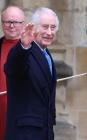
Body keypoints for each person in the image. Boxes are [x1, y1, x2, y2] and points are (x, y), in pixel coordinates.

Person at [4, 7, 59, 140]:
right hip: (24, 133)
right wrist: (23, 46)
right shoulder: (23, 49)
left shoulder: (46, 53)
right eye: (45, 27)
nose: (49, 32)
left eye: (53, 27)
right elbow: (12, 69)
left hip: (43, 131)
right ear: (33, 28)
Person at [0, 6, 25, 140]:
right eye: (7, 22)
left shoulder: (33, 49)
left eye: (16, 22)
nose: (11, 26)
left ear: (23, 24)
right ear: (2, 23)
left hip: (21, 113)